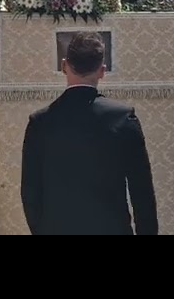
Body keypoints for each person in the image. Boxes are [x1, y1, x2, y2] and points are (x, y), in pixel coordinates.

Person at [21, 32, 157, 235]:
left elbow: (30, 192)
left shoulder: (40, 122)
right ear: (102, 71)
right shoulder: (122, 119)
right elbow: (142, 193)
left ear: (64, 66)